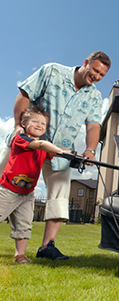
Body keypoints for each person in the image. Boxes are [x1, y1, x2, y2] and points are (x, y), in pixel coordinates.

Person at [3, 51, 111, 260]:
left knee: (60, 194)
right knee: (2, 175)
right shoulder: (52, 71)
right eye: (95, 70)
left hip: (60, 151)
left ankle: (47, 247)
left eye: (102, 75)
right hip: (28, 142)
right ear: (86, 63)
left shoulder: (94, 96)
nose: (97, 76)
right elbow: (25, 93)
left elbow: (93, 125)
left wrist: (90, 149)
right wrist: (18, 125)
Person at [0, 106, 70, 263]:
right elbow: (43, 146)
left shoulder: (43, 146)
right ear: (24, 124)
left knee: (24, 225)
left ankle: (20, 255)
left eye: (43, 124)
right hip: (8, 190)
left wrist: (76, 156)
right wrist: (61, 151)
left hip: (27, 194)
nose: (39, 125)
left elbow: (54, 152)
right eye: (35, 122)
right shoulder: (21, 138)